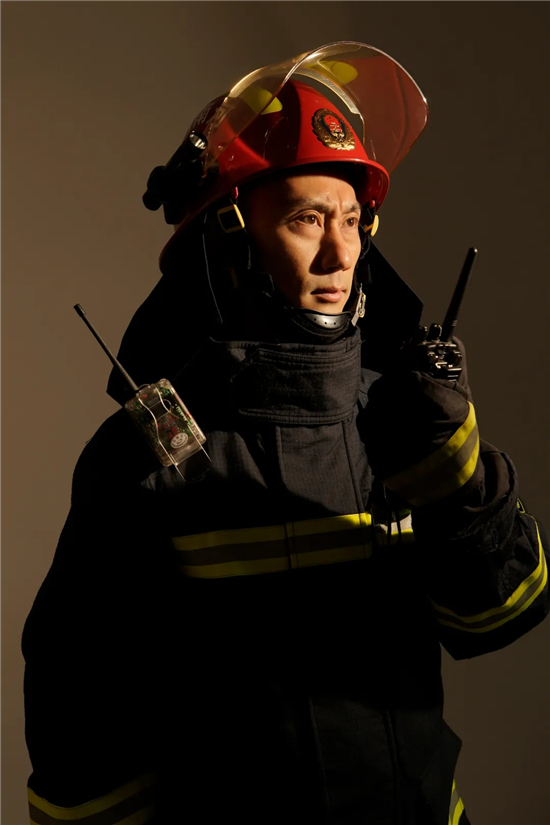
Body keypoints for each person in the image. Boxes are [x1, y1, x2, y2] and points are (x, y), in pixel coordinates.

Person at [22, 42, 549, 825]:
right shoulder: (145, 463)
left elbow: (500, 616)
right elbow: (81, 718)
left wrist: (463, 485)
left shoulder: (404, 422)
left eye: (353, 220)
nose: (342, 254)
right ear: (230, 241)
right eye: (307, 219)